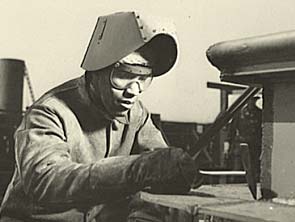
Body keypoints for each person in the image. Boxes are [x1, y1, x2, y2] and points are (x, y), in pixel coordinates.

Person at [0, 11, 196, 222]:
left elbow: (160, 168)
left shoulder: (136, 114)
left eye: (143, 79)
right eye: (124, 76)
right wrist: (138, 169)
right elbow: (45, 180)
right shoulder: (49, 111)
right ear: (97, 70)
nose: (134, 90)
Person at [227, 96, 262, 182]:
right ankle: (235, 183)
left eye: (253, 100)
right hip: (241, 144)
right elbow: (232, 130)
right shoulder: (239, 113)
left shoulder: (260, 113)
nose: (251, 102)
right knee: (238, 167)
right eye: (249, 100)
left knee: (254, 166)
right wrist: (229, 145)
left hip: (254, 145)